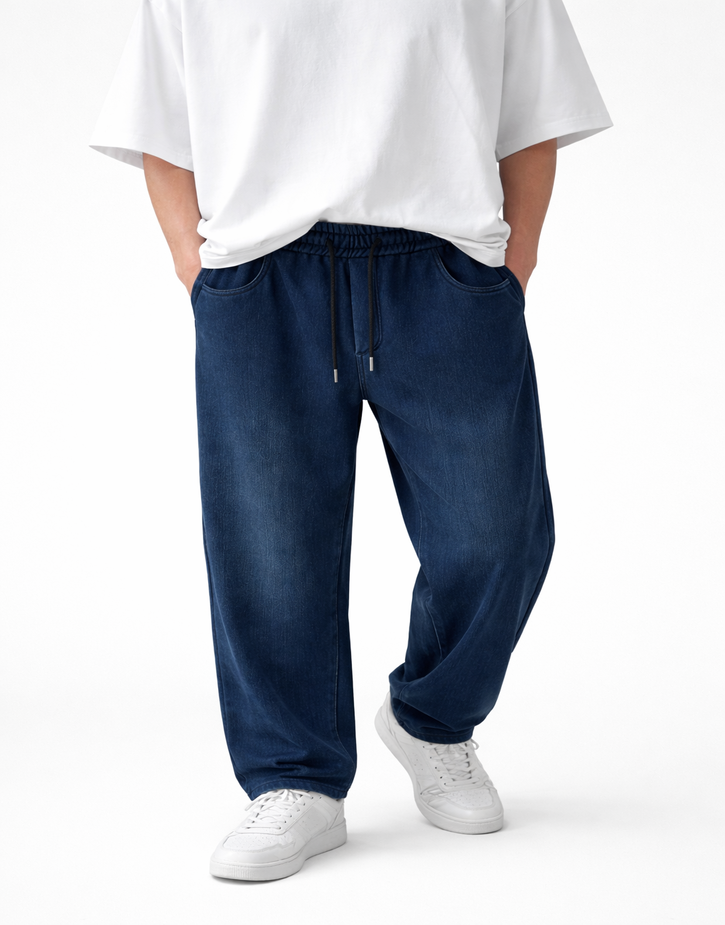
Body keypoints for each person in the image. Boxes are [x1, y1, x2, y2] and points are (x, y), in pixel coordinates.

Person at [89, 0, 612, 882]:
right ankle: (294, 776)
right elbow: (159, 123)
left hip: (444, 268)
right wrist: (199, 273)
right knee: (268, 546)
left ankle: (431, 720)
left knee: (498, 532)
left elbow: (534, 113)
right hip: (263, 276)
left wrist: (509, 269)